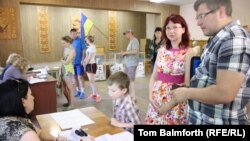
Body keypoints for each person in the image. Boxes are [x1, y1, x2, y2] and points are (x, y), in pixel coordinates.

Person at [164, 0, 250, 124]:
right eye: (197, 17)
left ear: (220, 12)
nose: (198, 22)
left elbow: (224, 93)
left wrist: (187, 93)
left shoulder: (233, 39)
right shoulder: (218, 38)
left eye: (202, 16)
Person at [144, 14, 195, 125]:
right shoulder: (161, 50)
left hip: (176, 100)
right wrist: (150, 96)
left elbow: (187, 84)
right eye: (168, 28)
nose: (171, 31)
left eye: (175, 27)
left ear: (183, 29)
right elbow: (154, 76)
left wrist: (167, 106)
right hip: (157, 98)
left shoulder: (189, 52)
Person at [0, 79, 67, 141]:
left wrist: (56, 139)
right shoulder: (25, 133)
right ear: (23, 102)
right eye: (30, 94)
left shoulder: (12, 117)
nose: (33, 97)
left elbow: (39, 133)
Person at [121, 29, 139, 102]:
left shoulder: (135, 41)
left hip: (132, 64)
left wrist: (125, 53)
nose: (125, 35)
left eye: (126, 34)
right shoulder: (131, 41)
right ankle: (129, 96)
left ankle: (133, 97)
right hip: (128, 63)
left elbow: (135, 51)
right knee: (127, 80)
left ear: (130, 33)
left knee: (131, 80)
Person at [83, 35, 101, 102]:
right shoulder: (89, 47)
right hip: (88, 64)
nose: (85, 40)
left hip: (91, 65)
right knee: (90, 81)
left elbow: (90, 57)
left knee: (92, 81)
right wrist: (84, 61)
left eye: (86, 39)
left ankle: (98, 95)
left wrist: (85, 63)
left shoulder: (93, 47)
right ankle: (94, 94)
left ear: (89, 39)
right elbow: (87, 56)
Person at [70, 28, 86, 100]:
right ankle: (78, 91)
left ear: (77, 33)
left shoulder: (80, 40)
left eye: (75, 33)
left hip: (79, 62)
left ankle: (82, 92)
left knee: (80, 77)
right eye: (73, 34)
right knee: (74, 77)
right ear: (70, 34)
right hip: (72, 63)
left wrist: (83, 59)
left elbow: (83, 50)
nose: (74, 35)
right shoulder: (70, 41)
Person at [61, 35, 76, 110]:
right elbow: (63, 60)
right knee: (64, 89)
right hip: (64, 69)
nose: (62, 45)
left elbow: (66, 62)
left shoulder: (72, 50)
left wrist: (62, 61)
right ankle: (69, 101)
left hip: (68, 71)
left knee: (70, 88)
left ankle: (72, 104)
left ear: (68, 42)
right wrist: (62, 61)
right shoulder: (66, 49)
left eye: (64, 43)